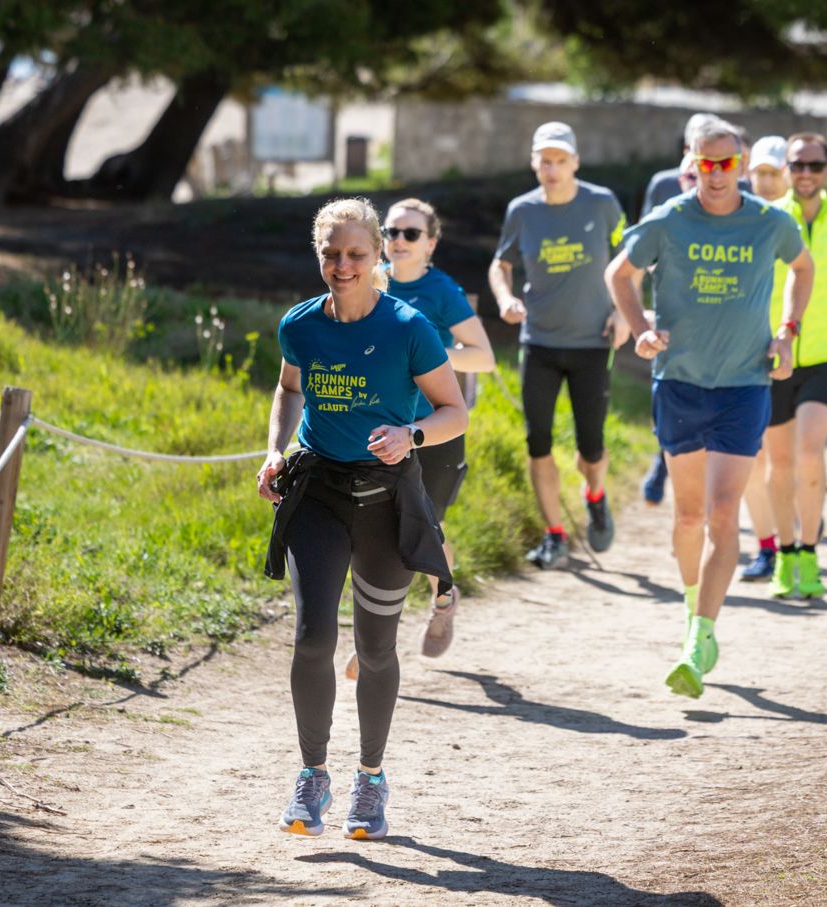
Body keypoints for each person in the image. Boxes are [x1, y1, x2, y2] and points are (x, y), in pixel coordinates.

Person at [257, 197, 469, 839]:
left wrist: (411, 435)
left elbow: (454, 412)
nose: (343, 265)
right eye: (332, 254)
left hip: (386, 503)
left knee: (375, 648)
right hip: (318, 493)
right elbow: (290, 387)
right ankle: (312, 774)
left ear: (378, 254)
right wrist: (275, 449)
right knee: (313, 638)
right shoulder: (300, 324)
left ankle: (370, 780)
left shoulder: (408, 327)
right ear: (319, 255)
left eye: (355, 254)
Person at [606, 118, 813, 699]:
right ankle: (693, 605)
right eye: (706, 163)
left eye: (726, 164)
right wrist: (640, 330)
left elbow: (803, 268)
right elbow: (618, 274)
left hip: (744, 386)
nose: (716, 175)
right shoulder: (669, 219)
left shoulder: (770, 222)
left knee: (724, 514)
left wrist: (787, 331)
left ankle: (699, 638)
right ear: (691, 163)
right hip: (679, 383)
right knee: (688, 517)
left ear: (741, 165)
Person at [341, 198, 495, 678]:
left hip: (434, 431)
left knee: (424, 528)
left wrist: (428, 354)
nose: (399, 241)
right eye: (392, 232)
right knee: (377, 532)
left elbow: (484, 356)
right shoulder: (368, 280)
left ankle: (442, 597)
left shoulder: (441, 291)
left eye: (411, 233)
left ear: (431, 242)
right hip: (377, 428)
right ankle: (373, 638)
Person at [489, 122, 629, 569]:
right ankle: (554, 535)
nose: (552, 169)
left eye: (560, 161)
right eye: (545, 161)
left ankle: (595, 494)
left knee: (592, 447)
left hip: (593, 341)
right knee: (538, 442)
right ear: (535, 164)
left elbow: (632, 258)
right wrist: (506, 298)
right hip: (540, 342)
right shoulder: (522, 210)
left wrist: (624, 312)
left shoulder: (602, 203)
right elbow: (500, 264)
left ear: (575, 162)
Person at [763, 133, 827, 601]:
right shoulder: (765, 217)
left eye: (814, 165)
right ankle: (784, 555)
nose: (805, 173)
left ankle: (809, 551)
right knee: (780, 461)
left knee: (809, 451)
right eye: (797, 165)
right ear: (786, 170)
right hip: (772, 356)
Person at [638, 114, 751, 506]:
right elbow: (642, 247)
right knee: (674, 384)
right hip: (673, 305)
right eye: (695, 147)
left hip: (723, 306)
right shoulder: (663, 185)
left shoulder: (738, 186)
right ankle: (663, 460)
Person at [736, 135, 788, 582]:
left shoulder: (796, 223)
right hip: (743, 353)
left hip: (792, 352)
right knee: (753, 458)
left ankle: (793, 537)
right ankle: (767, 545)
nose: (767, 182)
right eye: (760, 173)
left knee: (786, 458)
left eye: (774, 172)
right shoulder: (735, 219)